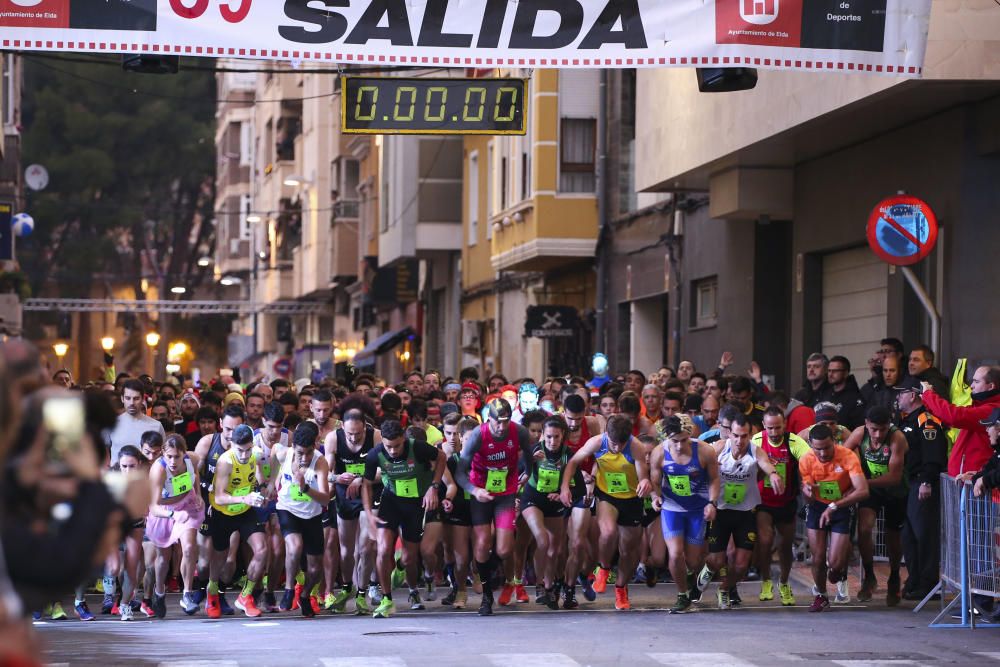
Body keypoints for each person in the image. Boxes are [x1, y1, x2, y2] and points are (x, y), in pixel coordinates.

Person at [455, 398, 536, 616]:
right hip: (481, 492)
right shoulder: (478, 436)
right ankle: (487, 596)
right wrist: (474, 491)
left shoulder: (518, 432)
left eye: (506, 421)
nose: (502, 427)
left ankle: (487, 575)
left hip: (506, 493)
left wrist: (527, 472)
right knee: (482, 543)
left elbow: (529, 455)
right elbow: (460, 472)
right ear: (489, 419)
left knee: (504, 549)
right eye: (498, 422)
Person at [564, 414, 653, 611]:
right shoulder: (597, 442)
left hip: (631, 499)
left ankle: (621, 588)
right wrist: (565, 486)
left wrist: (645, 482)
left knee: (628, 550)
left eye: (622, 444)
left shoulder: (635, 446)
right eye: (614, 443)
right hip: (607, 495)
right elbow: (573, 462)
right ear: (607, 435)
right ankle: (603, 568)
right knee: (608, 532)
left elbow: (643, 475)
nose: (617, 448)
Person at [696, 414, 784, 609]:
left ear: (750, 435)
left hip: (745, 512)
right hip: (721, 511)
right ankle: (708, 570)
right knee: (717, 561)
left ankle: (725, 589)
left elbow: (766, 464)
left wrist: (774, 475)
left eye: (744, 436)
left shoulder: (756, 451)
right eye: (736, 435)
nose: (739, 440)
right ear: (730, 433)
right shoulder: (718, 448)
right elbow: (700, 466)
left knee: (742, 565)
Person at [362, 419, 446, 618]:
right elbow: (365, 483)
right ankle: (387, 600)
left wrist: (433, 488)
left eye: (397, 445)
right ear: (382, 440)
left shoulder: (417, 448)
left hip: (416, 505)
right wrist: (368, 513)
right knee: (382, 550)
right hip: (391, 502)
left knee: (409, 558)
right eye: (388, 446)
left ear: (403, 439)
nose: (392, 451)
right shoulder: (375, 454)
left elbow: (441, 457)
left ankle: (408, 574)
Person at [648, 416, 719, 613]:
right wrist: (655, 497)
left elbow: (714, 479)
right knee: (675, 553)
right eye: (674, 441)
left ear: (690, 436)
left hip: (697, 509)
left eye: (683, 440)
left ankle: (689, 574)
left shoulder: (705, 451)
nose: (679, 446)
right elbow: (654, 480)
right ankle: (682, 595)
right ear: (666, 438)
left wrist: (712, 503)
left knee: (694, 560)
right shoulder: (658, 453)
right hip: (672, 508)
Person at [799, 424, 870, 612]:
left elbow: (862, 490)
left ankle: (837, 571)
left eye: (827, 447)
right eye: (817, 449)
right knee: (818, 557)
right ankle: (821, 595)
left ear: (834, 442)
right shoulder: (806, 460)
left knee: (836, 563)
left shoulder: (847, 456)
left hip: (842, 505)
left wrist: (834, 506)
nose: (822, 453)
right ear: (810, 445)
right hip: (816, 507)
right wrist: (807, 492)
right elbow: (807, 493)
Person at [843, 406, 909, 605]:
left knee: (892, 537)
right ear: (866, 425)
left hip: (895, 490)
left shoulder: (897, 439)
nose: (878, 434)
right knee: (864, 528)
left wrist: (862, 483)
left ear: (889, 426)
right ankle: (869, 575)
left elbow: (894, 478)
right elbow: (842, 456)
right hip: (870, 489)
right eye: (873, 429)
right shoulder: (859, 433)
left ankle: (894, 576)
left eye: (882, 429)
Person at [205, 424, 268, 618]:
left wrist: (262, 487)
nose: (244, 454)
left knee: (262, 549)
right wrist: (244, 498)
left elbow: (258, 472)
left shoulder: (255, 453)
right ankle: (212, 591)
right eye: (240, 450)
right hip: (223, 511)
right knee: (220, 558)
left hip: (245, 510)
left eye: (248, 449)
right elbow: (220, 496)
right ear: (232, 445)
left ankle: (245, 596)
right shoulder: (226, 462)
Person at [268, 421, 331, 617]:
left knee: (315, 568)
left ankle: (304, 595)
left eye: (308, 453)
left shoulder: (320, 463)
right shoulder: (283, 453)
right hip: (287, 508)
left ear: (315, 447)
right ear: (293, 448)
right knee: (294, 547)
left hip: (311, 515)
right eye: (300, 453)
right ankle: (288, 590)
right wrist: (272, 480)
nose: (304, 458)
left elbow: (325, 498)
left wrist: (305, 488)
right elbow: (273, 452)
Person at [521, 416, 584, 609]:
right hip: (533, 499)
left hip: (554, 503)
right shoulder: (534, 450)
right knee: (542, 539)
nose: (552, 442)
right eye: (548, 437)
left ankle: (549, 586)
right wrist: (530, 461)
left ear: (563, 435)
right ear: (542, 435)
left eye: (556, 437)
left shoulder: (568, 455)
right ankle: (539, 584)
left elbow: (579, 488)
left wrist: (562, 494)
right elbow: (519, 472)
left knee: (554, 550)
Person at [895, 376, 946, 601]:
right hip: (908, 483)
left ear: (913, 395)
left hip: (922, 483)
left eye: (901, 393)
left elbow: (932, 453)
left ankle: (927, 582)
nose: (898, 397)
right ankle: (914, 579)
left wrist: (926, 481)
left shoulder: (926, 419)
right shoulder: (907, 419)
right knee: (909, 535)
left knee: (924, 534)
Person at [326, 409, 382, 614]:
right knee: (346, 550)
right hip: (345, 493)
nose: (354, 438)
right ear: (342, 427)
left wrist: (361, 478)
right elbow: (327, 473)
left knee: (367, 547)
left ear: (364, 428)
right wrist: (337, 478)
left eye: (358, 434)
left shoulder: (375, 436)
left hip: (369, 490)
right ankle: (347, 587)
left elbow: (384, 469)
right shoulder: (333, 438)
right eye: (350, 434)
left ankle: (361, 593)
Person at [752, 406, 810, 606]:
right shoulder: (756, 441)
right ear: (763, 426)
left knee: (786, 545)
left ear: (784, 424)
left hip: (787, 502)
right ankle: (766, 580)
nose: (775, 433)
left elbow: (808, 461)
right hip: (763, 502)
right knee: (766, 541)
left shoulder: (794, 441)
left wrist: (807, 482)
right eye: (770, 428)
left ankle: (784, 582)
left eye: (778, 428)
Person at [145, 435, 204, 618]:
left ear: (184, 454)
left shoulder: (192, 459)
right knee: (163, 559)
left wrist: (199, 494)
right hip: (165, 511)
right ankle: (159, 591)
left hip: (187, 505)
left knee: (189, 547)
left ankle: (187, 594)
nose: (173, 461)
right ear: (163, 453)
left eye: (177, 457)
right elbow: (153, 507)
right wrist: (173, 514)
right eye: (169, 456)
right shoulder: (158, 470)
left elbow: (195, 474)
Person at [922, 365, 1000, 477]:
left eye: (976, 382)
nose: (971, 386)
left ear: (991, 386)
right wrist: (927, 399)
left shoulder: (992, 410)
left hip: (976, 486)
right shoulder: (979, 406)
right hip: (966, 483)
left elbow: (954, 416)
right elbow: (947, 417)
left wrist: (928, 395)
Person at [439, 415, 478, 609]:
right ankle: (461, 589)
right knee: (460, 558)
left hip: (481, 510)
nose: (471, 442)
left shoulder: (486, 461)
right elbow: (447, 485)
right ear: (461, 438)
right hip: (459, 513)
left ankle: (477, 572)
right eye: (467, 437)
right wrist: (447, 500)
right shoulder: (450, 460)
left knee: (485, 550)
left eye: (475, 438)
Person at [108, 378, 166, 465]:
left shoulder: (156, 426)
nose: (131, 402)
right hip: (117, 477)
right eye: (128, 398)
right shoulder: (111, 424)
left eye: (136, 398)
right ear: (122, 399)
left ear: (143, 399)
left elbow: (164, 456)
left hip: (146, 476)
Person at [816, 356, 866, 430]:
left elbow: (859, 427)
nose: (830, 374)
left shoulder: (855, 398)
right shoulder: (825, 393)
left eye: (835, 371)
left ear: (845, 373)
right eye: (829, 371)